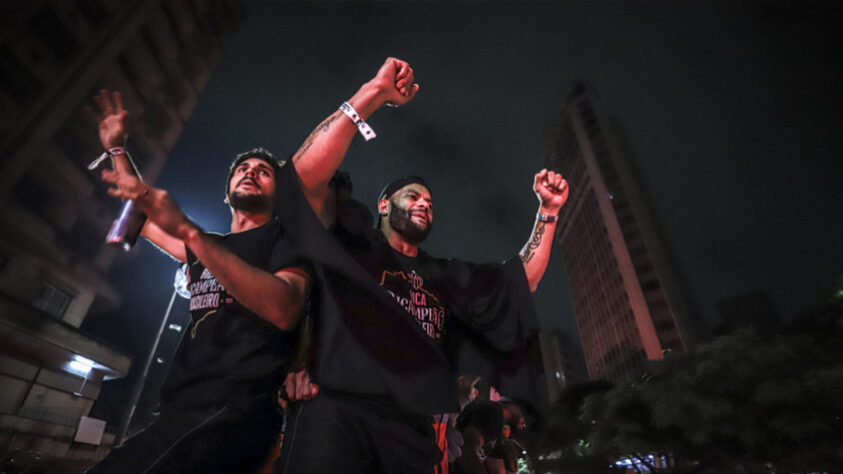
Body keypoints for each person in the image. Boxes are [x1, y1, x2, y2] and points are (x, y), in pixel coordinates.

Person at [88, 59, 419, 473]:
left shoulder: (286, 239)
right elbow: (138, 206)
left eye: (264, 172)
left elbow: (284, 307)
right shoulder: (210, 247)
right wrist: (117, 148)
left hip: (234, 413)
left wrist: (371, 92)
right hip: (181, 409)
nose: (251, 173)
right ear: (226, 194)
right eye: (243, 169)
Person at [274, 60, 569, 473]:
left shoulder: (445, 276)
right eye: (413, 196)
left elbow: (522, 279)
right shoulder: (350, 240)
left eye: (429, 202)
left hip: (410, 427)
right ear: (383, 205)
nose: (425, 204)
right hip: (335, 405)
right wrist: (372, 93)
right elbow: (302, 178)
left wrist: (548, 213)